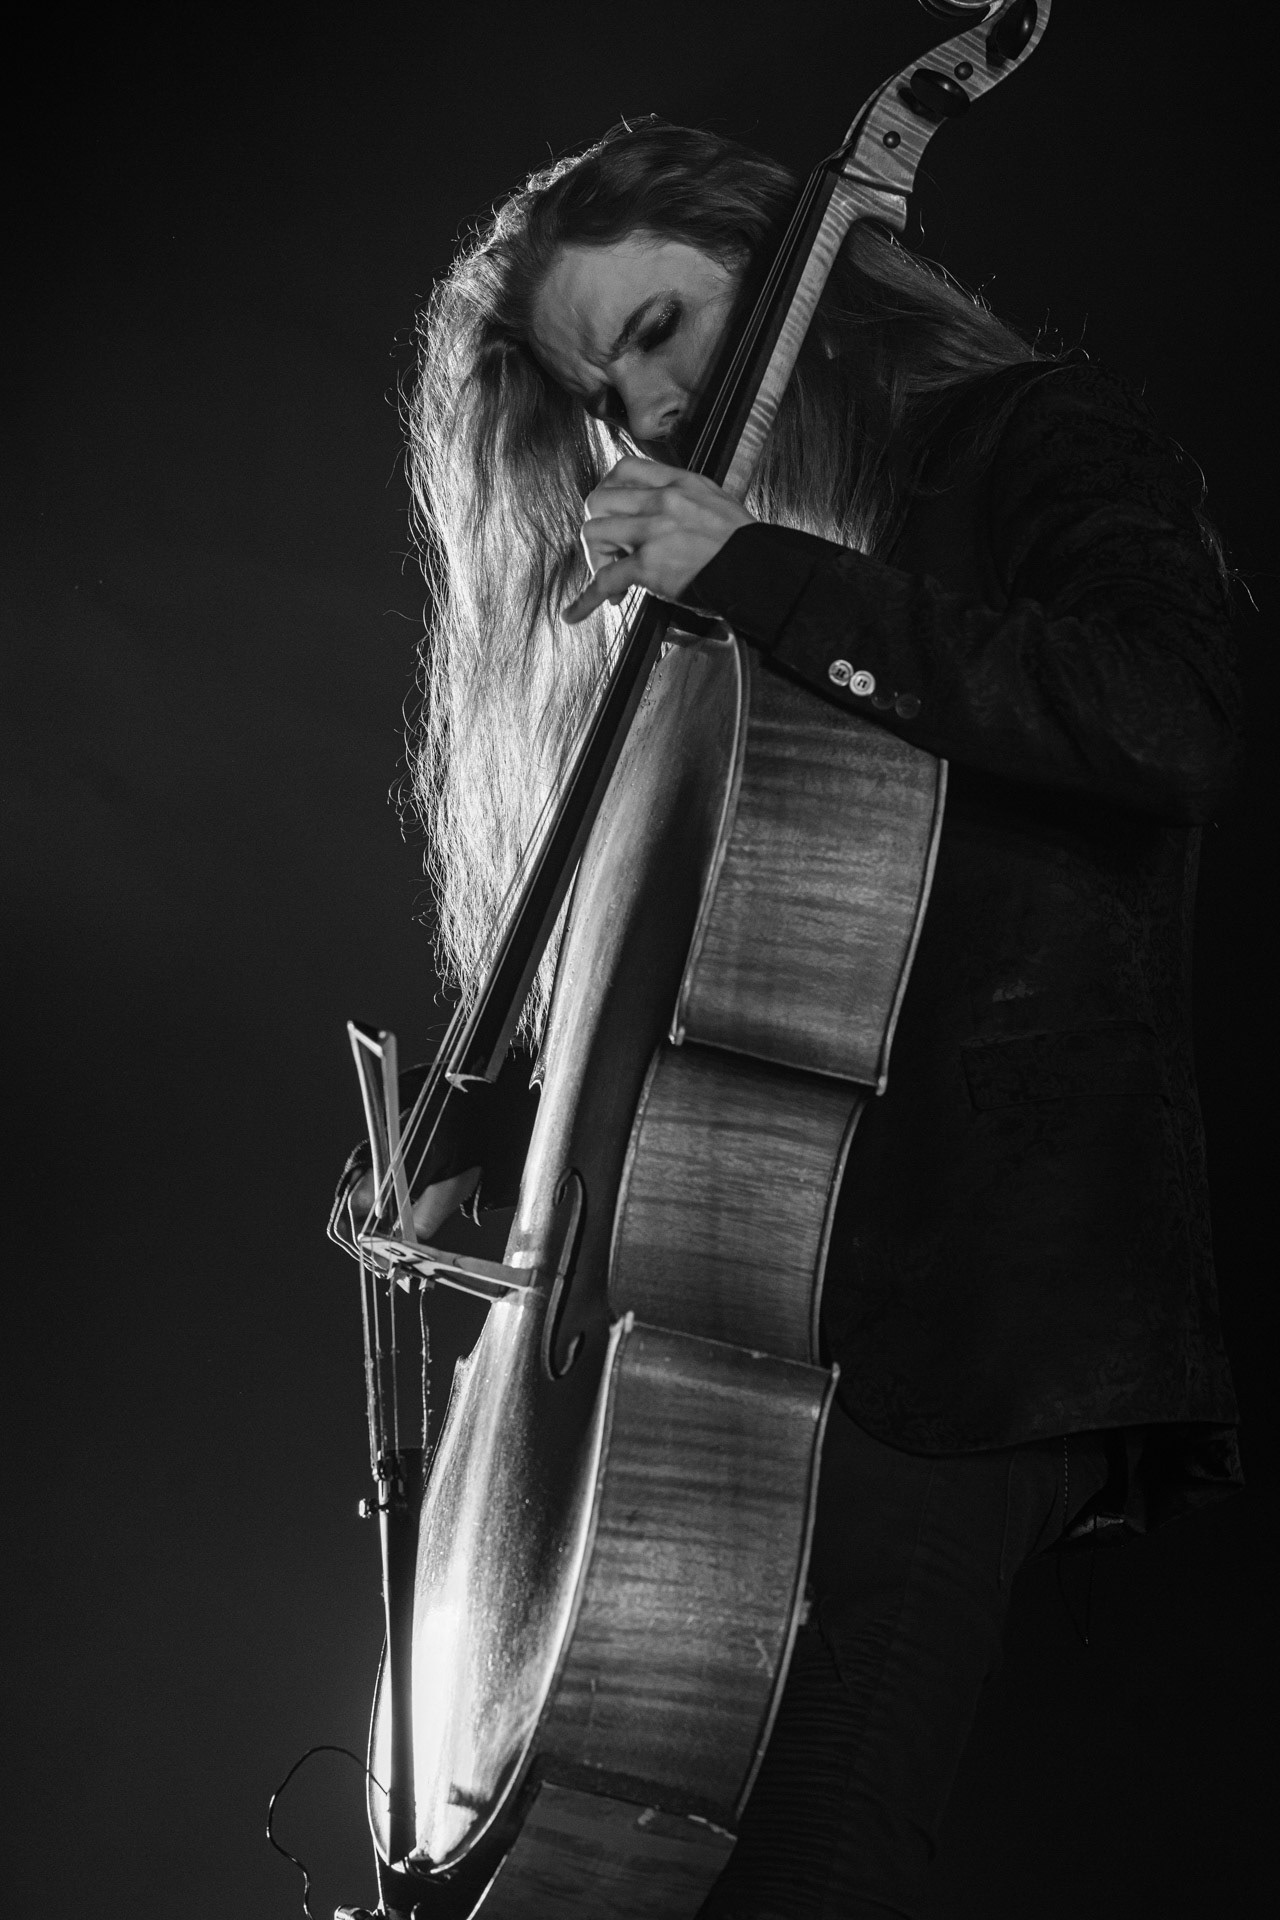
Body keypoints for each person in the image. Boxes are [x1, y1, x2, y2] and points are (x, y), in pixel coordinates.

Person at [337, 120, 1243, 1919]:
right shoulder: (735, 599)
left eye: (662, 330)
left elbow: (1165, 717)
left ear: (788, 272)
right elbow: (685, 984)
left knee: (816, 1862)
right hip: (738, 1317)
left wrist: (759, 569)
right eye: (609, 389)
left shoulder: (1026, 450)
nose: (652, 411)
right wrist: (485, 1163)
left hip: (965, 1319)